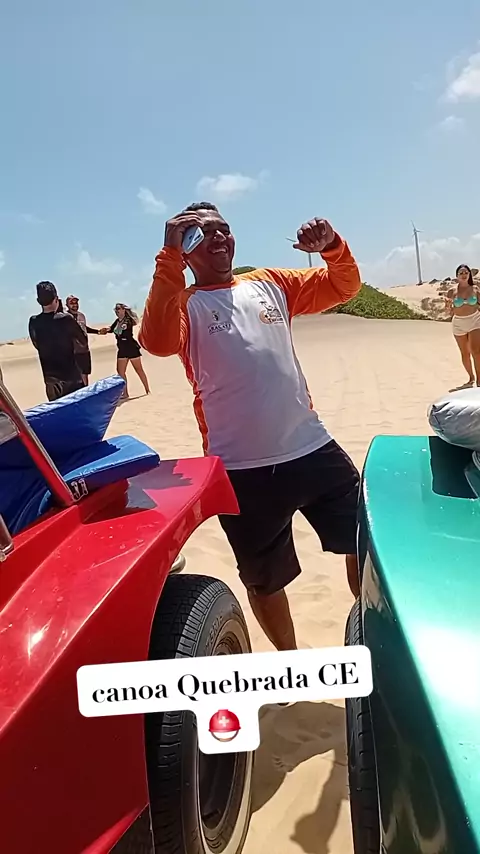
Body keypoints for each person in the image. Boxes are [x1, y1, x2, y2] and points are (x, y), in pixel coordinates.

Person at [139, 202, 362, 652]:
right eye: (201, 233)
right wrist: (168, 258)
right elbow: (157, 342)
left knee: (365, 539)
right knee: (264, 579)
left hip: (311, 446)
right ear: (184, 248)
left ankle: (370, 631)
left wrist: (333, 248)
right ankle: (291, 662)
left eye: (223, 229)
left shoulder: (271, 283)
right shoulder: (184, 303)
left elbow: (344, 286)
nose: (218, 237)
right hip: (242, 468)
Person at [29, 281, 87, 401]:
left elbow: (36, 344)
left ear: (38, 301)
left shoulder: (34, 322)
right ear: (56, 299)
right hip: (71, 376)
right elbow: (83, 341)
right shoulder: (66, 319)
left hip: (50, 380)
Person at [99, 303, 150, 398]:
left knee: (138, 369)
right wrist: (104, 330)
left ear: (124, 310)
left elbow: (122, 329)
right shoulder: (117, 321)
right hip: (122, 348)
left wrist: (114, 329)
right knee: (120, 371)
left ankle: (147, 389)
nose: (117, 311)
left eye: (118, 309)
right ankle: (125, 393)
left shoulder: (128, 320)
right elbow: (111, 329)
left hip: (131, 347)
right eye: (116, 309)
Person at [446, 264, 480, 387]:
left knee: (476, 351)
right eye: (461, 273)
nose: (464, 275)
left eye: (466, 272)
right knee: (465, 353)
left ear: (469, 274)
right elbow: (449, 312)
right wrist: (448, 306)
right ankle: (471, 377)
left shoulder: (475, 289)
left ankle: (479, 379)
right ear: (457, 276)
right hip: (459, 323)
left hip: (475, 320)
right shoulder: (452, 291)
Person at [65, 294, 100, 385]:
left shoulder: (81, 316)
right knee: (76, 377)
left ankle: (86, 391)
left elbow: (84, 328)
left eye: (76, 303)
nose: (74, 305)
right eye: (72, 303)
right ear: (67, 305)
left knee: (85, 374)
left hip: (84, 350)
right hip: (73, 352)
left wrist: (98, 332)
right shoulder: (65, 317)